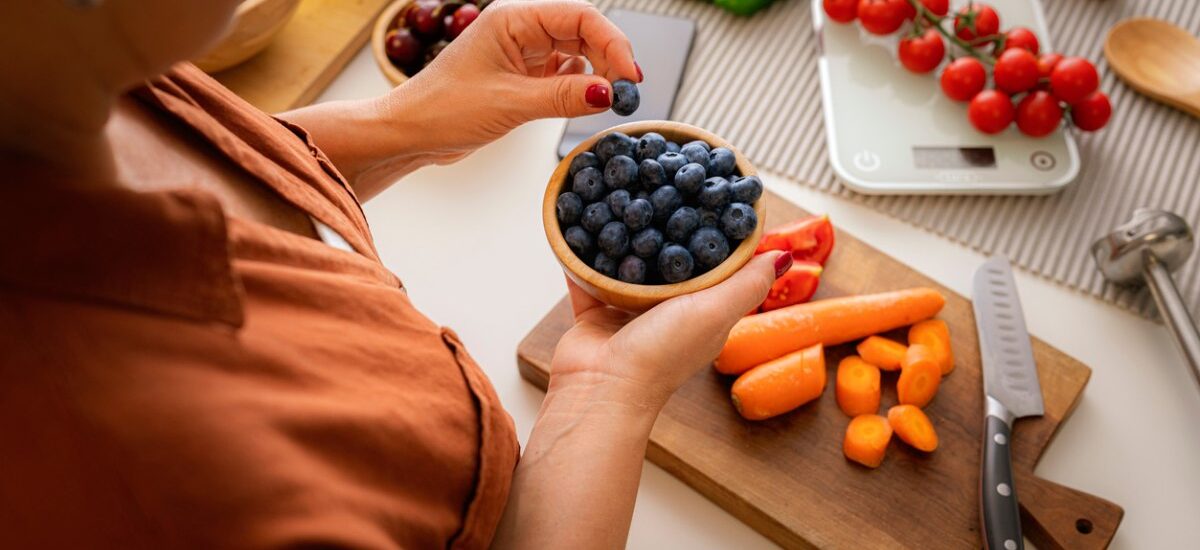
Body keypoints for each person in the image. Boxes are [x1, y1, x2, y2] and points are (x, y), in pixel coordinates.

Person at [0, 0, 790, 547]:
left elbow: (212, 180)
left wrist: (405, 123)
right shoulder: (143, 478)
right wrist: (609, 394)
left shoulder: (71, 82)